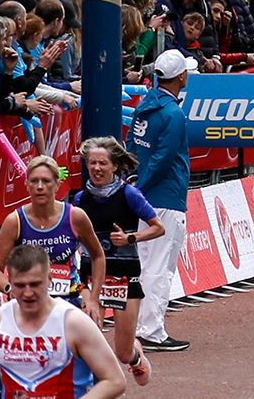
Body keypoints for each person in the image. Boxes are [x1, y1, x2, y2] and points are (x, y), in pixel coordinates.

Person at [0, 242, 129, 399]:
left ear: (49, 280)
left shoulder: (73, 322)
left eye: (35, 284)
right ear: (9, 282)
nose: (27, 293)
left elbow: (115, 381)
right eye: (20, 285)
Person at [69, 137, 160, 384]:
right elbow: (73, 235)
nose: (97, 168)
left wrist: (131, 237)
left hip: (124, 276)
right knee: (89, 343)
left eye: (102, 163)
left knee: (122, 351)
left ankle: (136, 356)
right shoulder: (79, 200)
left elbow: (158, 228)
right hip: (90, 277)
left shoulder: (129, 194)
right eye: (92, 163)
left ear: (114, 167)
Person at [126, 48, 191, 355]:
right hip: (166, 197)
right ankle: (151, 330)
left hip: (148, 194)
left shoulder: (145, 106)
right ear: (181, 76)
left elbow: (132, 145)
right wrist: (142, 186)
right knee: (159, 267)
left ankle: (141, 325)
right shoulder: (174, 114)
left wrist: (134, 182)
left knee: (146, 263)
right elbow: (164, 158)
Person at [0, 156, 103, 312]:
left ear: (57, 185)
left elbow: (98, 256)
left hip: (69, 300)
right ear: (26, 185)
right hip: (28, 304)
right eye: (34, 181)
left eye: (46, 181)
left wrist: (93, 299)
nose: (39, 187)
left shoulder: (75, 216)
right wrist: (10, 288)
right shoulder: (15, 221)